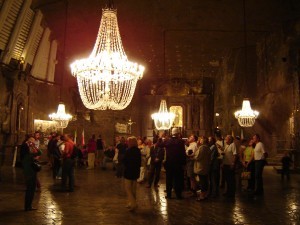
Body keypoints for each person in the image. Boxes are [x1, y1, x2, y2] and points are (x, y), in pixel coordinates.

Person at [159, 127, 186, 199]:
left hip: (169, 164)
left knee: (169, 179)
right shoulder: (181, 142)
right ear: (178, 134)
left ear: (172, 133)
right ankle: (178, 195)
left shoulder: (168, 141)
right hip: (178, 164)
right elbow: (183, 153)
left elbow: (159, 145)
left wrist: (161, 138)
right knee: (178, 179)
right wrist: (184, 163)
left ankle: (169, 195)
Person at [20, 136, 41, 211]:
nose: (33, 142)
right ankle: (28, 206)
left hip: (31, 172)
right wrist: (32, 146)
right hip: (30, 173)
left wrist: (33, 145)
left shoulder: (28, 156)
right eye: (31, 140)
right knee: (30, 189)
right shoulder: (28, 156)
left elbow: (39, 153)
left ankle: (28, 206)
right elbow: (39, 153)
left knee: (31, 189)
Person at [123, 136, 141, 212]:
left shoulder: (128, 151)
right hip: (136, 171)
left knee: (128, 188)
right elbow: (139, 162)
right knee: (133, 189)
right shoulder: (138, 151)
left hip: (129, 172)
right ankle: (131, 203)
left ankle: (133, 204)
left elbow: (124, 161)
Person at [194, 136, 211, 201]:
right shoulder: (207, 148)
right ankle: (205, 194)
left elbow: (198, 156)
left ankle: (202, 195)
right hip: (205, 166)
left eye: (201, 139)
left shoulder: (202, 148)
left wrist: (193, 157)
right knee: (204, 180)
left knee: (202, 181)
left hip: (201, 166)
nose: (199, 140)